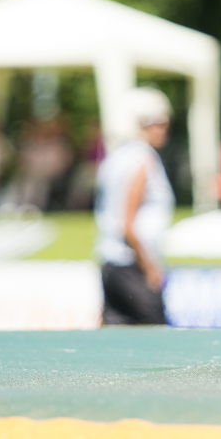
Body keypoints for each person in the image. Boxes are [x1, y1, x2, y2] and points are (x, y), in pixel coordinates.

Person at [94, 87, 175, 325]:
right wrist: (149, 266)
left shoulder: (117, 156)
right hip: (132, 263)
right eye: (157, 122)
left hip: (112, 263)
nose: (164, 127)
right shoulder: (142, 158)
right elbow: (128, 224)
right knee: (155, 336)